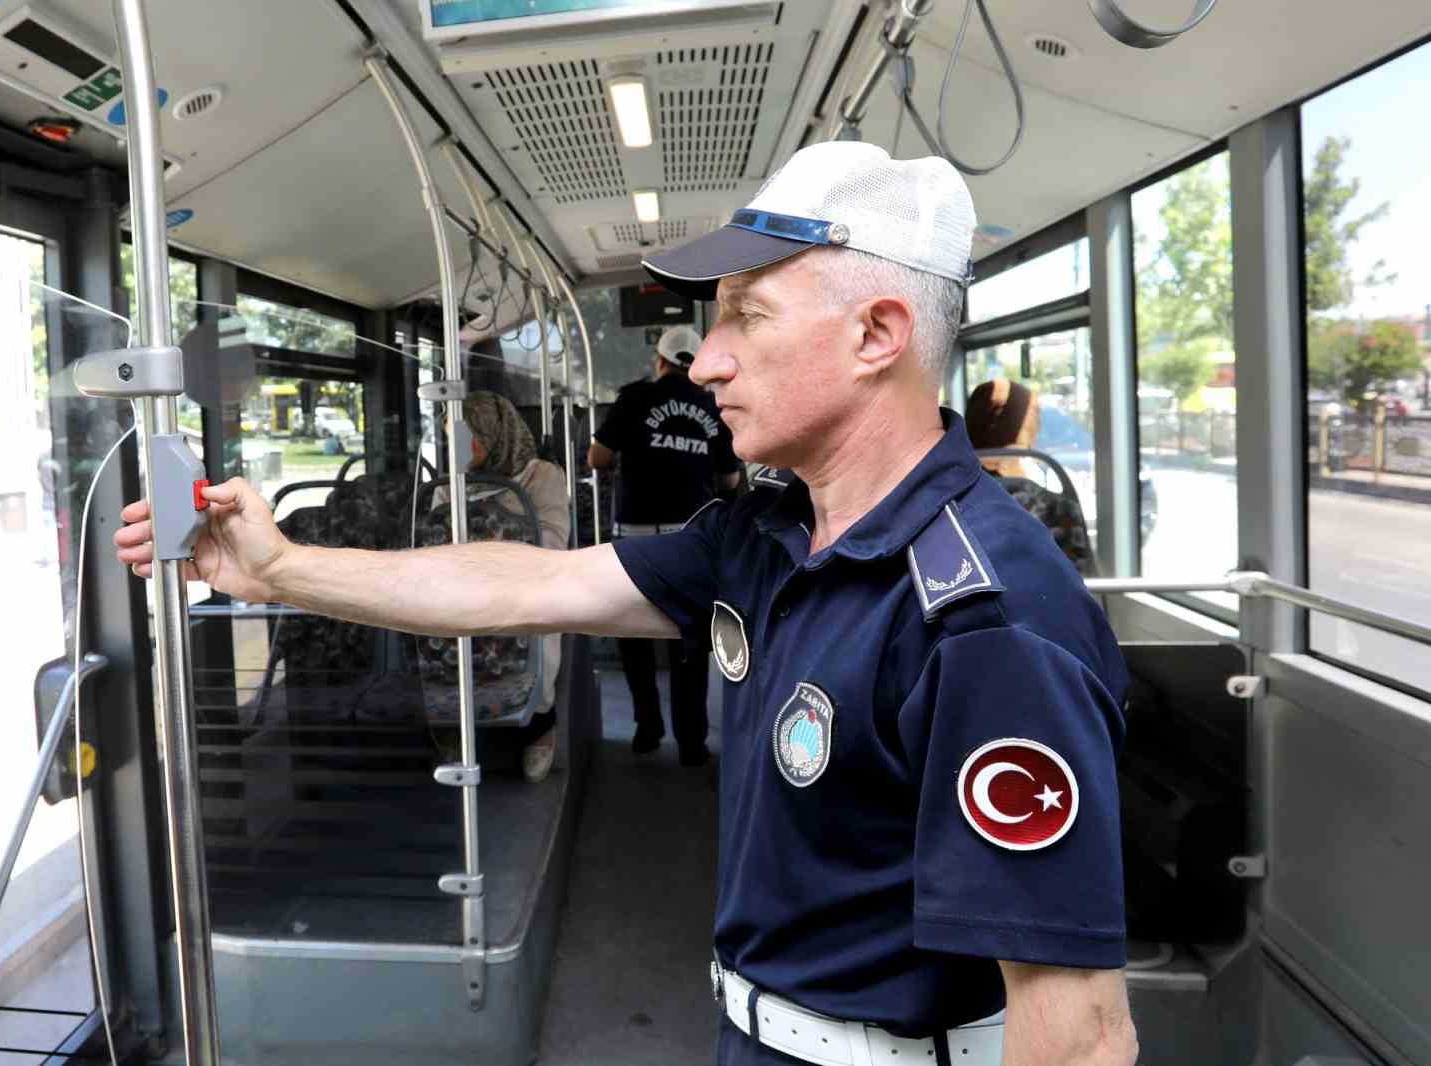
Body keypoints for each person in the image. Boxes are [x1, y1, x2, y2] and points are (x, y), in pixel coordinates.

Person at [117, 141, 1137, 1066]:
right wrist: (282, 568)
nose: (706, 359)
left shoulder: (986, 619)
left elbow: (1079, 1033)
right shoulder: (770, 528)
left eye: (745, 312)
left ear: (877, 333)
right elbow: (532, 580)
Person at [587, 324, 742, 766]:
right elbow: (730, 480)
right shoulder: (712, 405)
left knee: (632, 637)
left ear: (659, 361)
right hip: (690, 539)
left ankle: (646, 729)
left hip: (634, 538)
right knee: (689, 643)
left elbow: (598, 458)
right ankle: (691, 743)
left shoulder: (633, 398)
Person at [438, 391, 569, 782]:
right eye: (451, 439)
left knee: (535, 630)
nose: (457, 449)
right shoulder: (449, 485)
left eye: (466, 438)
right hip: (464, 586)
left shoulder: (543, 476)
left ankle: (539, 726)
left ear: (495, 435)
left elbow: (552, 540)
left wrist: (487, 540)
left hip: (526, 587)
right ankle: (456, 723)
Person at [965, 379, 1094, 572]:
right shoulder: (1048, 502)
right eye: (1034, 413)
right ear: (1014, 420)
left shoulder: (951, 482)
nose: (1038, 424)